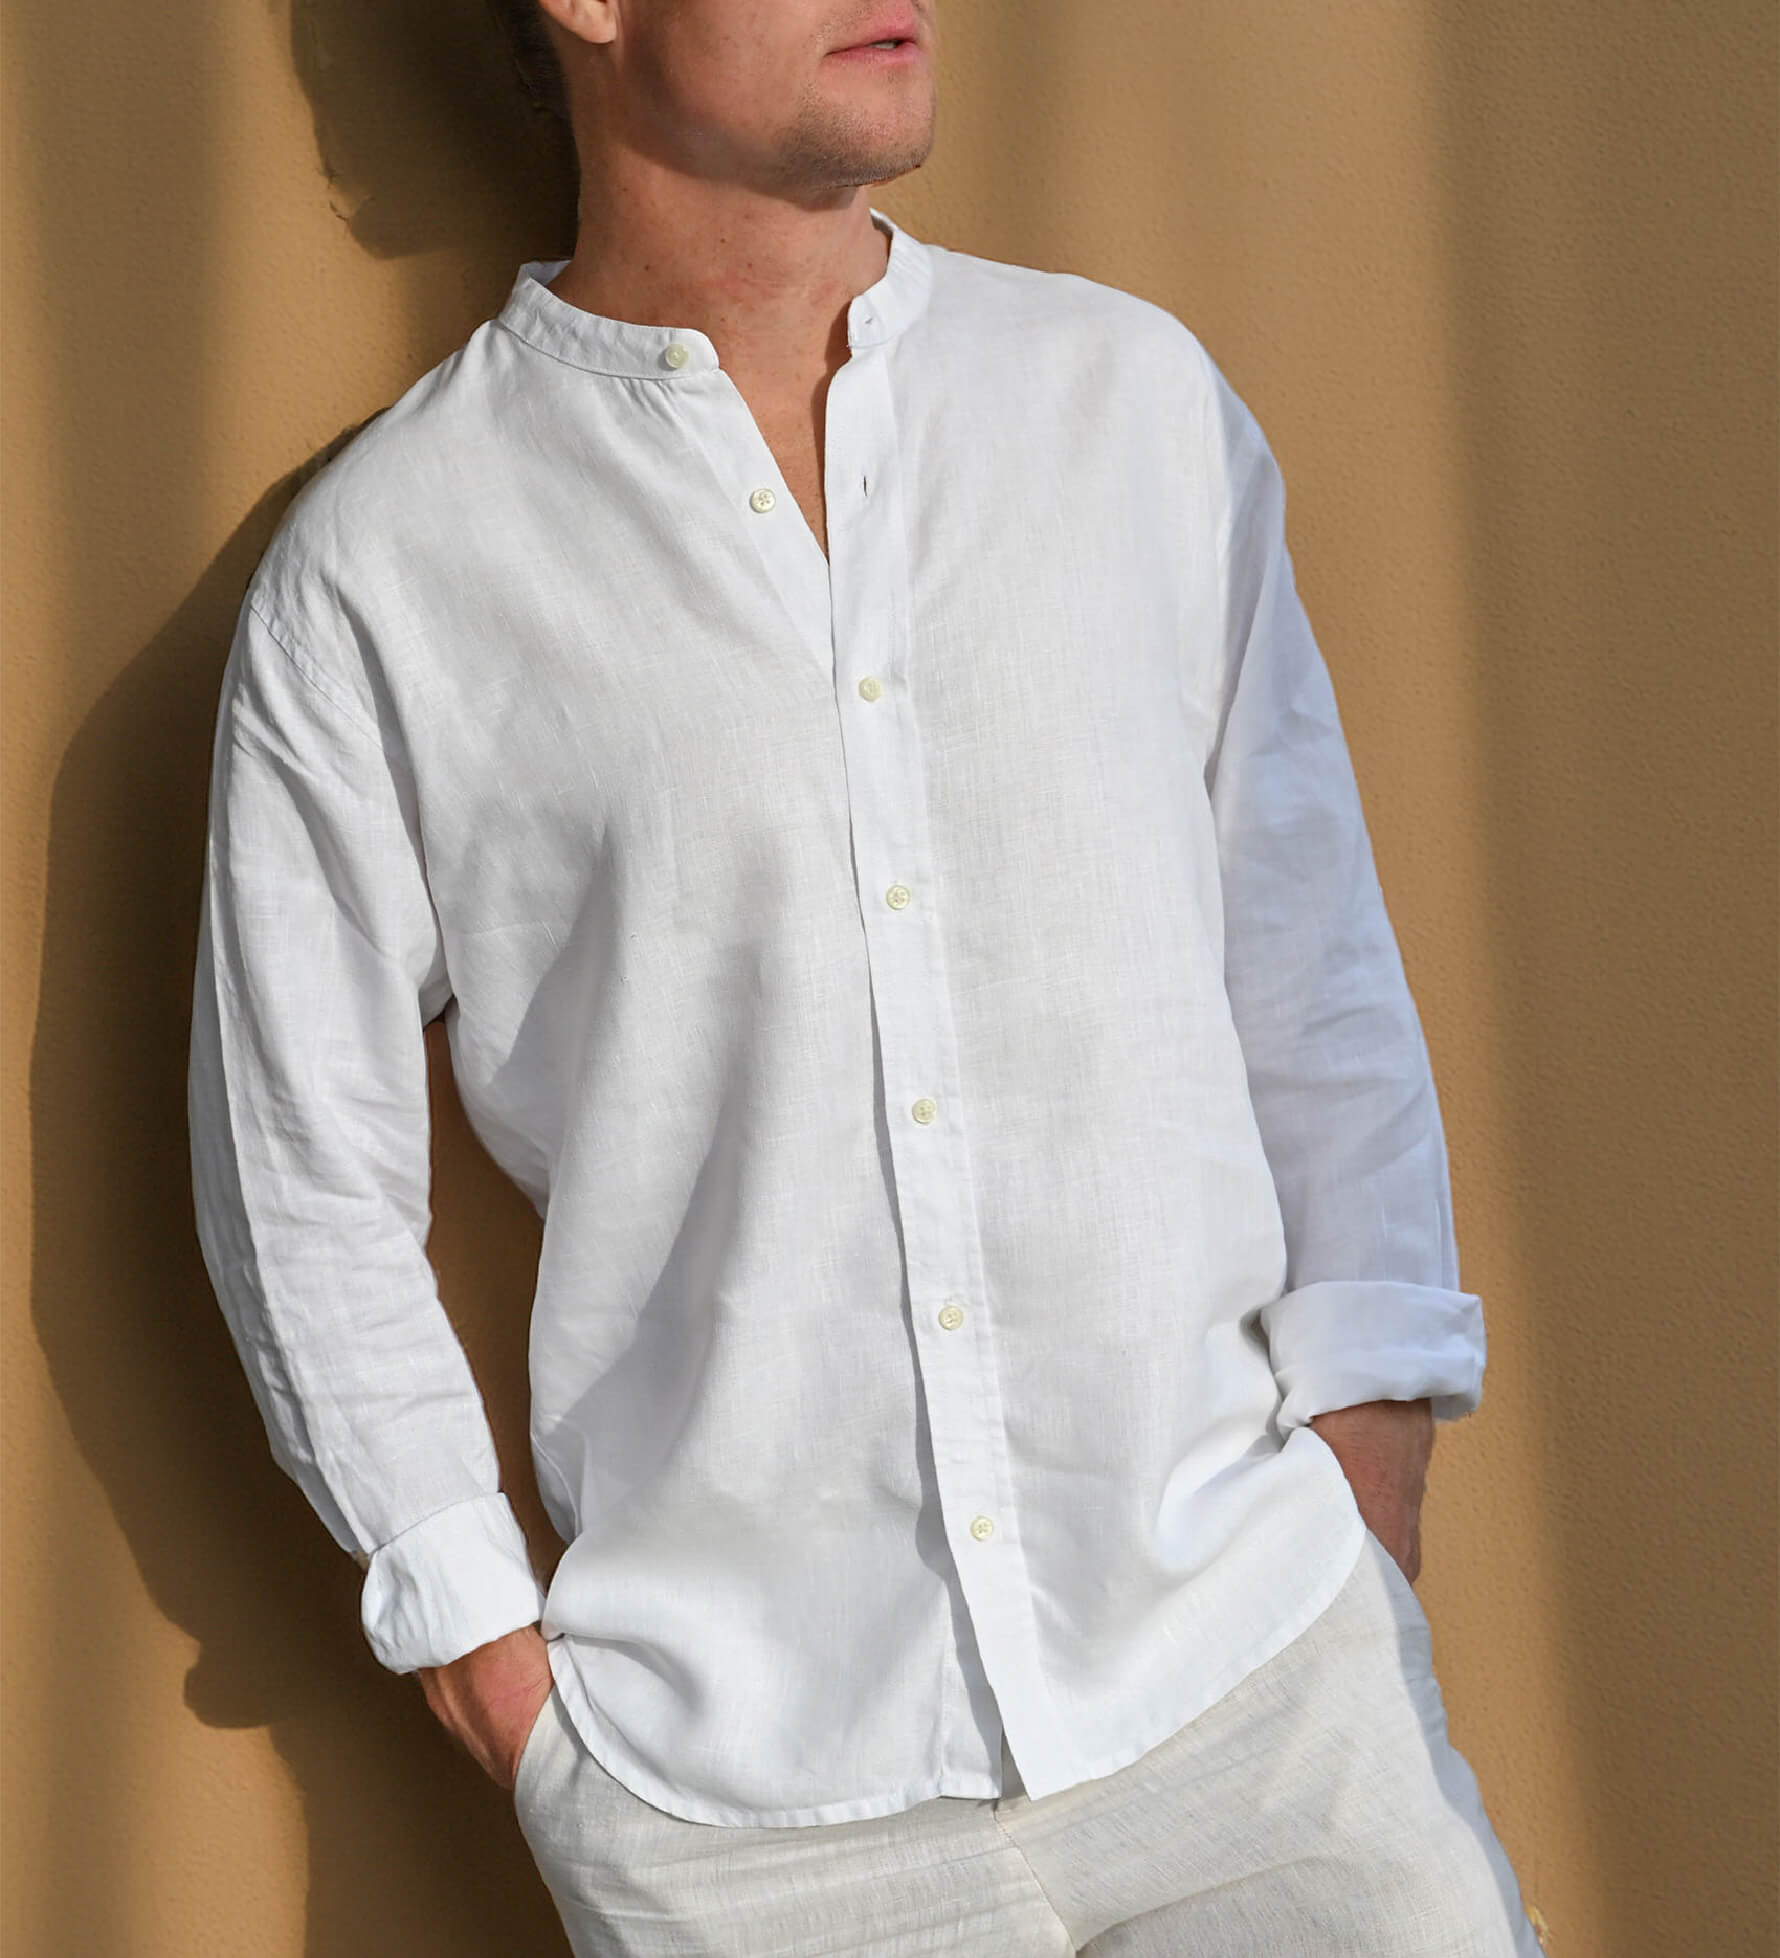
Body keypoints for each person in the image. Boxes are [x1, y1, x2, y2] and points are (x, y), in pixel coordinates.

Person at [187, 1, 1545, 1951]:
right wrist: (502, 1684)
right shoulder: (390, 573)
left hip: (1262, 1708)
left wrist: (1363, 1508)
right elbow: (299, 1188)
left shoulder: (1124, 408)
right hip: (753, 1824)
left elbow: (1310, 981)